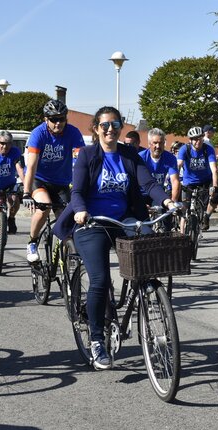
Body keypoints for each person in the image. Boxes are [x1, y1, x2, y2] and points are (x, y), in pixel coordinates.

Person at [52, 106, 175, 370]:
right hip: (92, 222)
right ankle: (97, 340)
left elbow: (148, 184)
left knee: (146, 255)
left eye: (115, 124)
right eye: (105, 125)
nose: (110, 129)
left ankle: (143, 293)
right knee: (100, 280)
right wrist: (81, 210)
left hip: (124, 219)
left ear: (120, 128)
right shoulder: (87, 155)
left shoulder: (129, 154)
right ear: (96, 129)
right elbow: (78, 191)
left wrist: (167, 201)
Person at [23, 99, 85, 262]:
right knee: (44, 207)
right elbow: (31, 166)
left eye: (61, 119)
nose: (58, 123)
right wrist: (26, 193)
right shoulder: (38, 133)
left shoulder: (73, 132)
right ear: (46, 119)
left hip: (61, 182)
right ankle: (32, 242)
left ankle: (69, 253)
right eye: (53, 119)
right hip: (39, 180)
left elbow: (81, 161)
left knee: (67, 219)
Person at [177, 126, 218, 231]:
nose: (198, 142)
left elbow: (214, 169)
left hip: (205, 181)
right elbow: (178, 165)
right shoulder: (185, 149)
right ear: (190, 140)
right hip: (189, 182)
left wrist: (215, 186)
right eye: (195, 139)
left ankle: (206, 216)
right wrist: (176, 181)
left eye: (200, 138)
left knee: (215, 196)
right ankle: (182, 235)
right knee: (185, 210)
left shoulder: (208, 149)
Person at [138, 128, 180, 203]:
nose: (158, 146)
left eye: (161, 143)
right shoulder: (140, 157)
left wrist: (173, 202)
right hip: (141, 194)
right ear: (149, 143)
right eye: (155, 143)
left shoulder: (170, 158)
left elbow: (175, 181)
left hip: (158, 195)